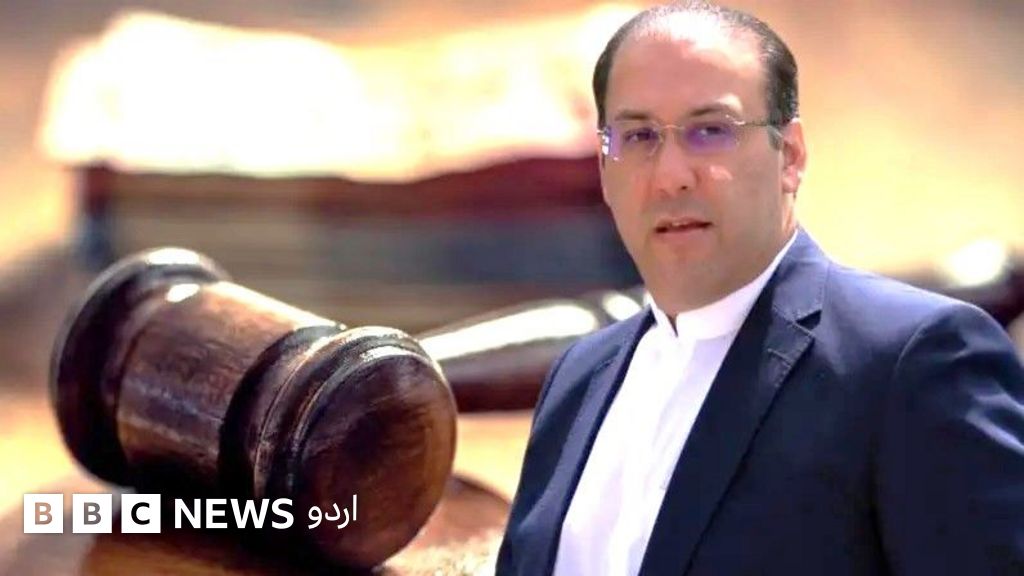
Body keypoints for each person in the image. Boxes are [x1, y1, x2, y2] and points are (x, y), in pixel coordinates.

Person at [495, 2, 1024, 575]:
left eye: (710, 132)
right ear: (604, 169)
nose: (670, 175)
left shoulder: (913, 361)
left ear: (790, 156)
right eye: (639, 135)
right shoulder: (577, 377)